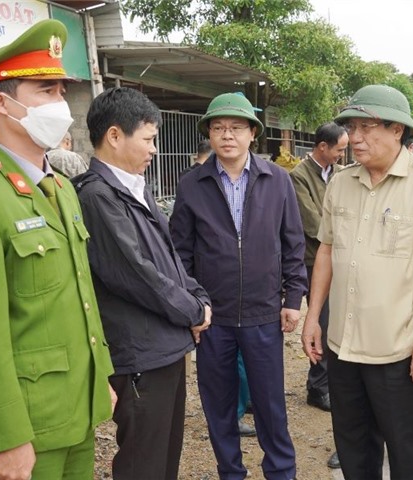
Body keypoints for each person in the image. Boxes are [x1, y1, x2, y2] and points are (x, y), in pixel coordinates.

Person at [0, 20, 114, 480]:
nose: (60, 104)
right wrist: (6, 437)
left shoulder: (61, 189)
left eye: (61, 91)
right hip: (25, 427)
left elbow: (81, 298)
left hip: (76, 409)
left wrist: (101, 380)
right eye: (45, 91)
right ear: (2, 103)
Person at [302, 84, 413, 479]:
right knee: (354, 452)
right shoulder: (341, 182)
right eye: (351, 128)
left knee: (408, 457)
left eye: (367, 127)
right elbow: (326, 251)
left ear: (397, 130)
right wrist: (314, 317)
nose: (355, 137)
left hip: (400, 352)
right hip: (343, 347)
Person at [72, 86, 212, 480]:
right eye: (148, 140)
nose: (154, 150)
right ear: (115, 136)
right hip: (139, 354)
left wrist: (197, 296)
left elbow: (168, 257)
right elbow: (136, 274)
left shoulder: (135, 187)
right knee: (143, 463)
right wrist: (192, 311)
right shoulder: (97, 197)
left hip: (164, 345)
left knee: (165, 454)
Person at [170, 92, 307, 480]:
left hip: (264, 313)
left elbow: (293, 243)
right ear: (209, 135)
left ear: (252, 134)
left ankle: (281, 471)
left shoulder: (277, 180)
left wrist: (293, 298)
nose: (227, 135)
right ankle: (230, 471)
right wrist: (193, 307)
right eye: (218, 128)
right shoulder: (192, 184)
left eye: (236, 128)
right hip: (213, 317)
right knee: (218, 404)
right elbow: (181, 253)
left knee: (270, 403)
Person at [288, 121, 348, 470]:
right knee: (320, 322)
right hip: (315, 261)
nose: (343, 154)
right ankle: (317, 386)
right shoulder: (299, 176)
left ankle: (324, 380)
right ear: (322, 147)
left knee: (335, 321)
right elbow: (313, 222)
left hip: (340, 258)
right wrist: (346, 233)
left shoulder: (338, 174)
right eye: (339, 148)